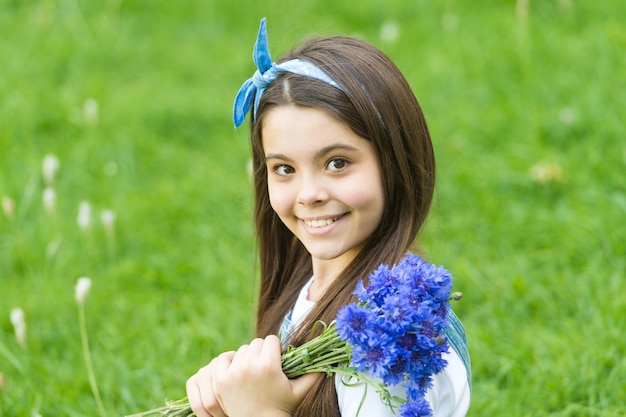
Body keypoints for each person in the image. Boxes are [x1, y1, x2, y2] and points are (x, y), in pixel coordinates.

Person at [186, 17, 471, 417]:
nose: (310, 195)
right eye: (284, 168)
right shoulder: (309, 292)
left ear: (395, 163)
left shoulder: (393, 341)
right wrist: (233, 392)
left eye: (337, 162)